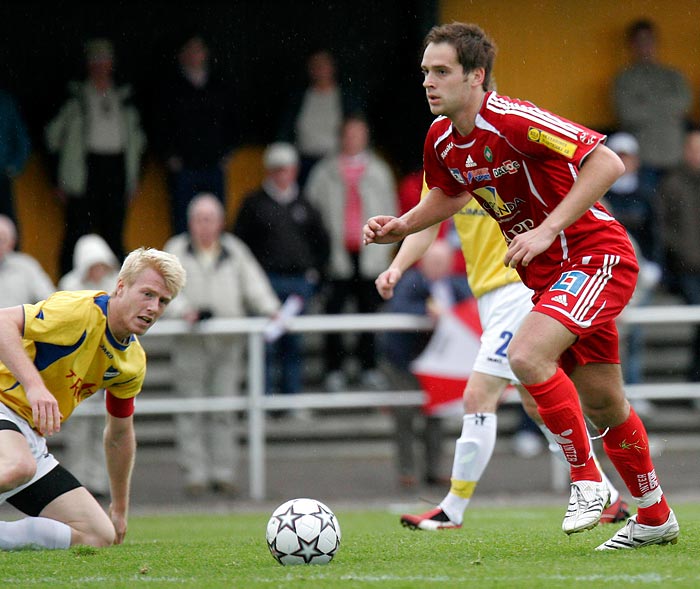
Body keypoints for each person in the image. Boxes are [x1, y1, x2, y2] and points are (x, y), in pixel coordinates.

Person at [363, 22, 678, 550]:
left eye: (441, 72)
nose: (428, 82)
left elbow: (608, 162)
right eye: (425, 72)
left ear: (476, 76)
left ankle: (586, 482)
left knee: (527, 357)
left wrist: (549, 227)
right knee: (605, 404)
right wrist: (403, 226)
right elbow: (447, 194)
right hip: (552, 276)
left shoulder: (513, 119)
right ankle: (654, 514)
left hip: (596, 255)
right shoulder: (441, 138)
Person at [377, 182, 629, 530]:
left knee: (478, 395)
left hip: (519, 285)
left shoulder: (503, 145)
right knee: (534, 403)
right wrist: (398, 267)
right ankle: (608, 494)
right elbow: (426, 225)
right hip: (487, 295)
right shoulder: (444, 156)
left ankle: (453, 508)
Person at [0, 247, 186, 550]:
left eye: (163, 301)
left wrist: (120, 508)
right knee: (18, 467)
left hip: (25, 435)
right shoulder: (80, 310)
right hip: (3, 408)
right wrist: (34, 386)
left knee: (98, 535)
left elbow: (119, 435)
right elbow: (2, 322)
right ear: (121, 286)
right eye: (148, 294)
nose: (153, 308)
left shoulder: (133, 361)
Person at [164, 193, 280, 496]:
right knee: (190, 409)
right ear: (190, 222)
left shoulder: (235, 250)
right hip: (189, 343)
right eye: (199, 219)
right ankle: (195, 475)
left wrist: (272, 309)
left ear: (220, 222)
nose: (205, 225)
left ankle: (223, 472)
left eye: (210, 219)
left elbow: (254, 286)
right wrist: (182, 311)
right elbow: (163, 291)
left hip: (229, 343)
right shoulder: (175, 250)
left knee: (225, 409)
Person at [305, 114, 398, 392]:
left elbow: (394, 214)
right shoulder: (324, 172)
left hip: (371, 253)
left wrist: (386, 250)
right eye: (349, 134)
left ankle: (368, 366)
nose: (354, 139)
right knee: (333, 313)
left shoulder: (379, 171)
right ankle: (334, 369)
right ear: (341, 137)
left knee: (368, 313)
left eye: (359, 134)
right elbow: (311, 214)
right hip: (335, 254)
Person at [233, 143, 329, 405]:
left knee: (294, 345)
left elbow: (322, 243)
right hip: (264, 284)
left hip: (298, 285)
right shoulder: (253, 204)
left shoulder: (306, 205)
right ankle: (263, 401)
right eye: (275, 170)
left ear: (294, 170)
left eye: (285, 169)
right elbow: (240, 247)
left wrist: (314, 275)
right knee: (264, 346)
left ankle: (290, 401)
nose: (281, 175)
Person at [45, 38, 147, 276]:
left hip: (116, 170)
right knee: (78, 233)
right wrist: (57, 180)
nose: (101, 66)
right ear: (87, 64)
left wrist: (134, 180)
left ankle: (120, 291)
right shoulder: (75, 97)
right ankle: (67, 287)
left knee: (115, 234)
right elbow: (52, 140)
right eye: (95, 61)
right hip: (84, 172)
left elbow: (139, 144)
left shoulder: (124, 97)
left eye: (105, 60)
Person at [377, 238, 471, 488]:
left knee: (436, 415)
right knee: (405, 414)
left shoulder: (457, 285)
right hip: (404, 360)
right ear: (423, 262)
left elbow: (471, 310)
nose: (439, 267)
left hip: (438, 362)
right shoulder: (411, 280)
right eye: (434, 261)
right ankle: (407, 471)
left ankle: (433, 469)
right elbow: (398, 308)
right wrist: (425, 313)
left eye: (443, 262)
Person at [612, 18, 692, 265]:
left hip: (675, 160)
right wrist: (663, 107)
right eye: (640, 41)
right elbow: (628, 113)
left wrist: (647, 104)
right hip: (644, 163)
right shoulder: (625, 80)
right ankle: (654, 269)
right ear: (632, 45)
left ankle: (679, 270)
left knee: (683, 220)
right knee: (649, 224)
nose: (645, 46)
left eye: (649, 41)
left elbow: (683, 104)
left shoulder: (672, 76)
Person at [152, 34, 239, 235]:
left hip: (214, 166)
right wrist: (170, 157)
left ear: (205, 53)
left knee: (216, 220)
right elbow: (159, 125)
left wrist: (227, 153)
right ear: (181, 55)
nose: (193, 55)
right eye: (188, 51)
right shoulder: (171, 87)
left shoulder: (219, 84)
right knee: (183, 223)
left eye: (197, 50)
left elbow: (234, 121)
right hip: (184, 168)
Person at [57, 234, 121, 498]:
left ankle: (98, 480)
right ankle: (77, 482)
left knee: (104, 428)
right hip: (76, 368)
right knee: (78, 427)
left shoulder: (117, 286)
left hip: (108, 366)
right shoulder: (69, 286)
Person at [277, 49, 363, 189]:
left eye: (324, 65)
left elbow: (357, 128)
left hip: (336, 164)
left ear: (332, 67)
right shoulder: (299, 99)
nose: (320, 70)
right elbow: (285, 133)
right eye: (315, 65)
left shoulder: (346, 98)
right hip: (304, 163)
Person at [658, 129, 700, 382]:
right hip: (686, 269)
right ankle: (694, 380)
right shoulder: (672, 184)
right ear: (685, 152)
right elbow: (663, 228)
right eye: (695, 150)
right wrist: (683, 254)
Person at [0, 214, 55, 308]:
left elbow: (49, 300)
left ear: (11, 243)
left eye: (1, 240)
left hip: (19, 322)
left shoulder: (26, 266)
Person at [0, 88, 31, 245]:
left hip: (2, 175)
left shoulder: (5, 102)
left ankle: (13, 265)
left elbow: (22, 140)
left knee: (8, 226)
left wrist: (14, 166)